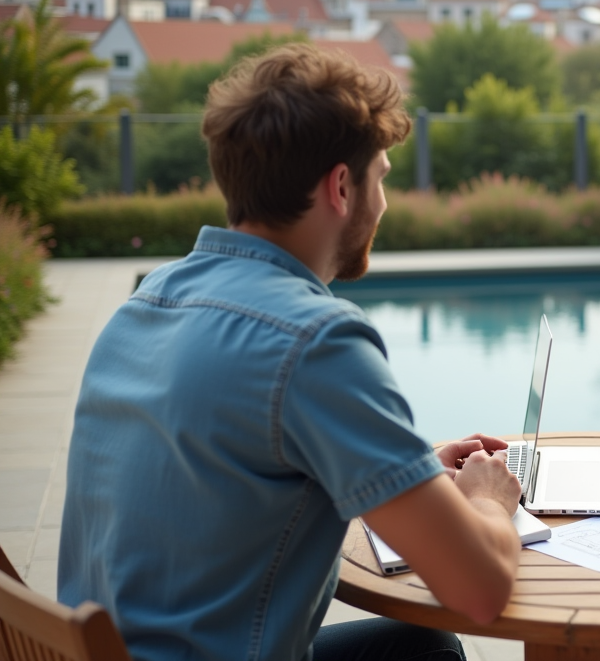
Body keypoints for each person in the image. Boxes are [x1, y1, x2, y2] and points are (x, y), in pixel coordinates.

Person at [58, 44, 523, 661]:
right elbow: (481, 591)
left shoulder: (148, 302)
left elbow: (224, 483)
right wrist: (489, 498)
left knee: (421, 650)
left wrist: (409, 474)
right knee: (432, 651)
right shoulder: (316, 339)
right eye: (380, 179)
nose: (382, 203)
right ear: (340, 187)